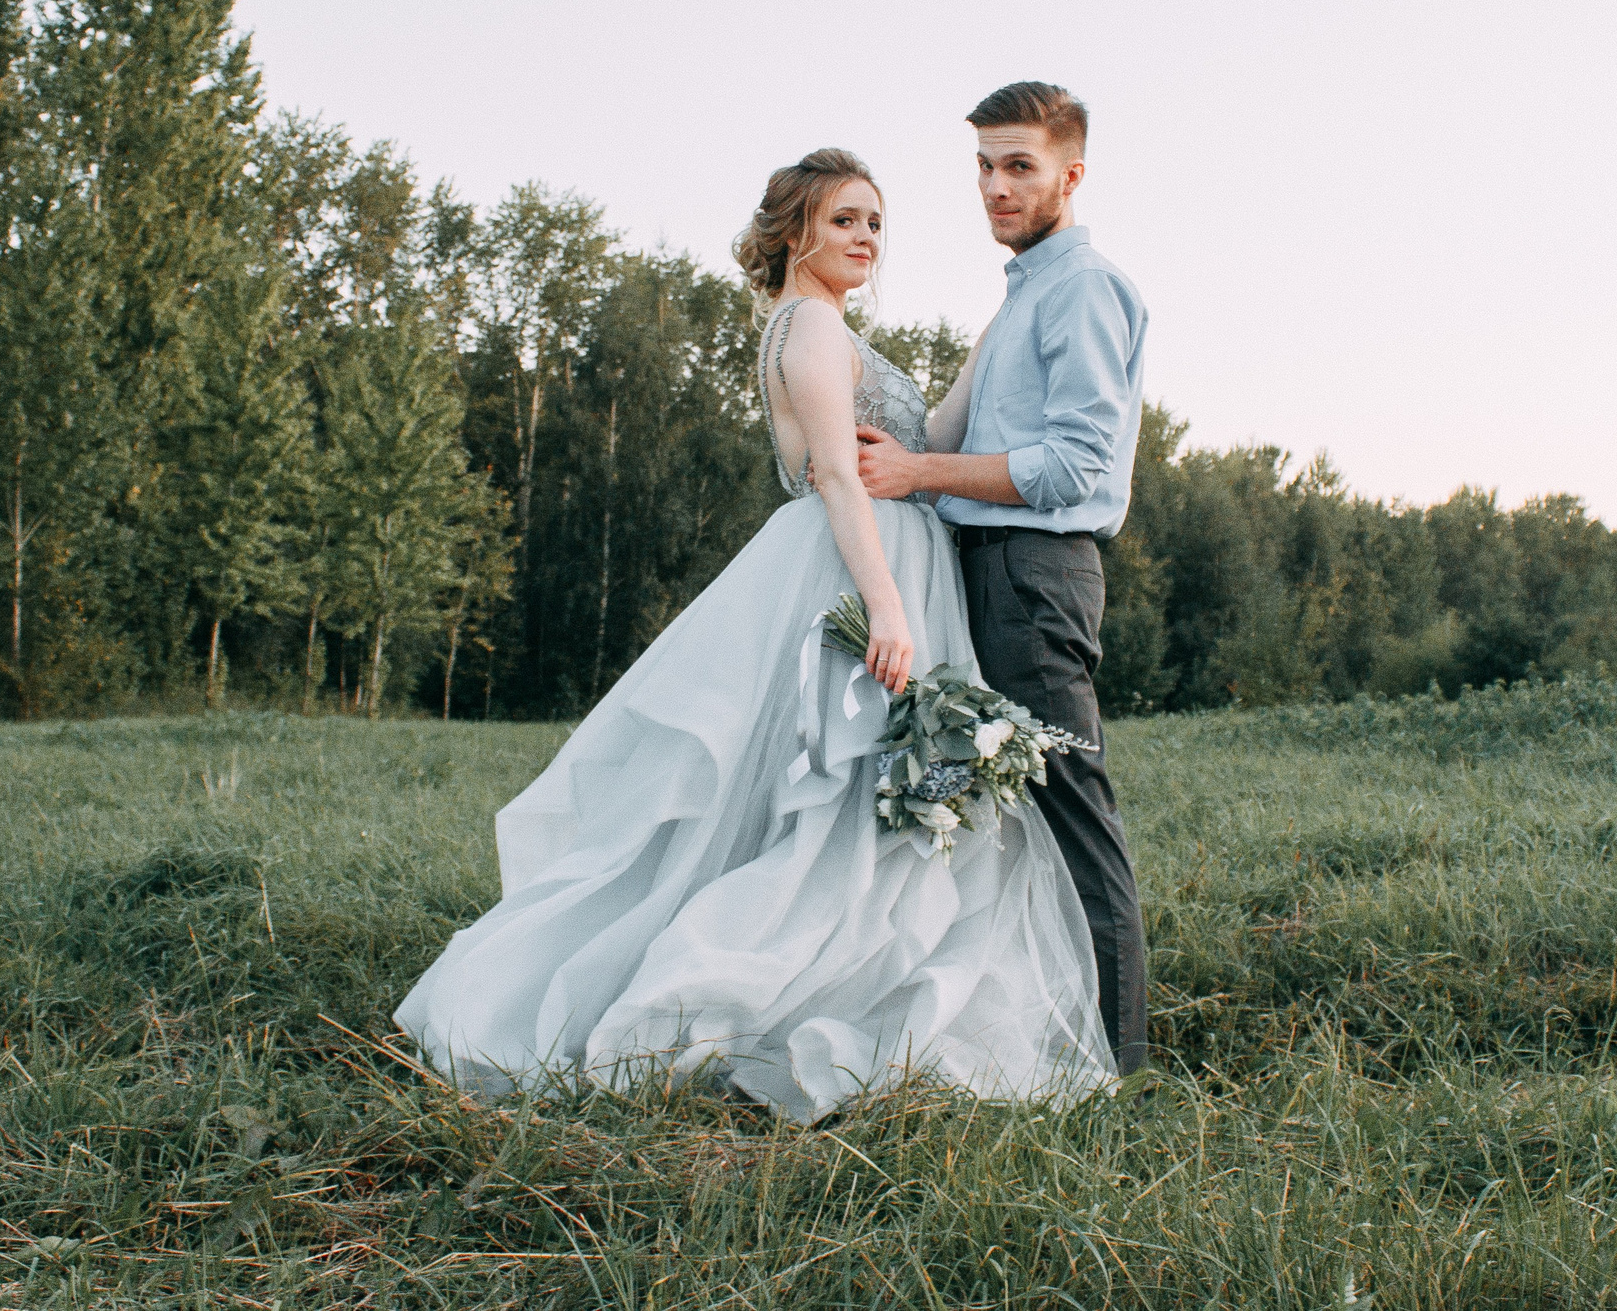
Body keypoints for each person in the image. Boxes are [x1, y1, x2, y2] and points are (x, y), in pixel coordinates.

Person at [394, 149, 1114, 1121]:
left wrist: (1002, 325)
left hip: (892, 557)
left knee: (863, 811)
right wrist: (886, 607)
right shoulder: (806, 325)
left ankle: (837, 986)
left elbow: (925, 441)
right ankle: (745, 997)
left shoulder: (830, 327)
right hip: (858, 570)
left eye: (875, 222)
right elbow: (837, 474)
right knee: (837, 811)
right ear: (794, 230)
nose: (867, 238)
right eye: (846, 219)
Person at [854, 82, 1150, 1073]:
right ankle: (990, 1030)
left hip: (1033, 578)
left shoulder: (1084, 289)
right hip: (983, 577)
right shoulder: (1024, 294)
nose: (994, 186)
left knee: (1069, 812)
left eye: (1019, 165)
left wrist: (918, 473)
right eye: (983, 166)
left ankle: (1118, 1065)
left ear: (1072, 174)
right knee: (959, 801)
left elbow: (1071, 468)